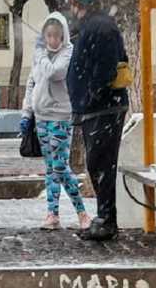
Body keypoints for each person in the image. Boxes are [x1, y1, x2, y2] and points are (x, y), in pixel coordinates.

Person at [66, 0, 129, 241]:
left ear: (82, 4)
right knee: (98, 164)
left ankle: (107, 219)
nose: (72, 8)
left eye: (74, 3)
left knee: (101, 164)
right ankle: (104, 217)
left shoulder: (99, 27)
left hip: (103, 108)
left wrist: (91, 95)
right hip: (99, 107)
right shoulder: (95, 25)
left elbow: (105, 68)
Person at [21, 12, 92, 231]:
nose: (52, 40)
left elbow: (54, 73)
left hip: (60, 116)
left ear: (63, 36)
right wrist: (26, 113)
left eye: (56, 36)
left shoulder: (67, 52)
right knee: (51, 168)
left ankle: (82, 212)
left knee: (61, 167)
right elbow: (32, 82)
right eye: (49, 35)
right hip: (41, 117)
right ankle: (52, 214)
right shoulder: (39, 55)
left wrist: (41, 54)